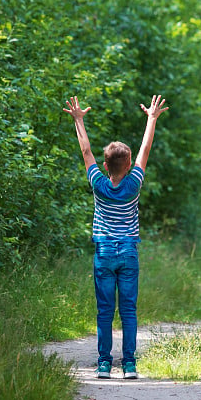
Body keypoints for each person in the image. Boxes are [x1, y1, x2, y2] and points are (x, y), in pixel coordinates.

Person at [63, 94, 169, 380]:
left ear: (105, 166)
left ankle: (103, 364)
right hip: (129, 253)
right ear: (130, 163)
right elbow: (147, 147)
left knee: (105, 311)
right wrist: (151, 118)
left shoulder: (98, 185)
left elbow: (86, 152)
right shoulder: (134, 184)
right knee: (129, 311)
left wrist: (78, 120)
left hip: (104, 252)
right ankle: (130, 365)